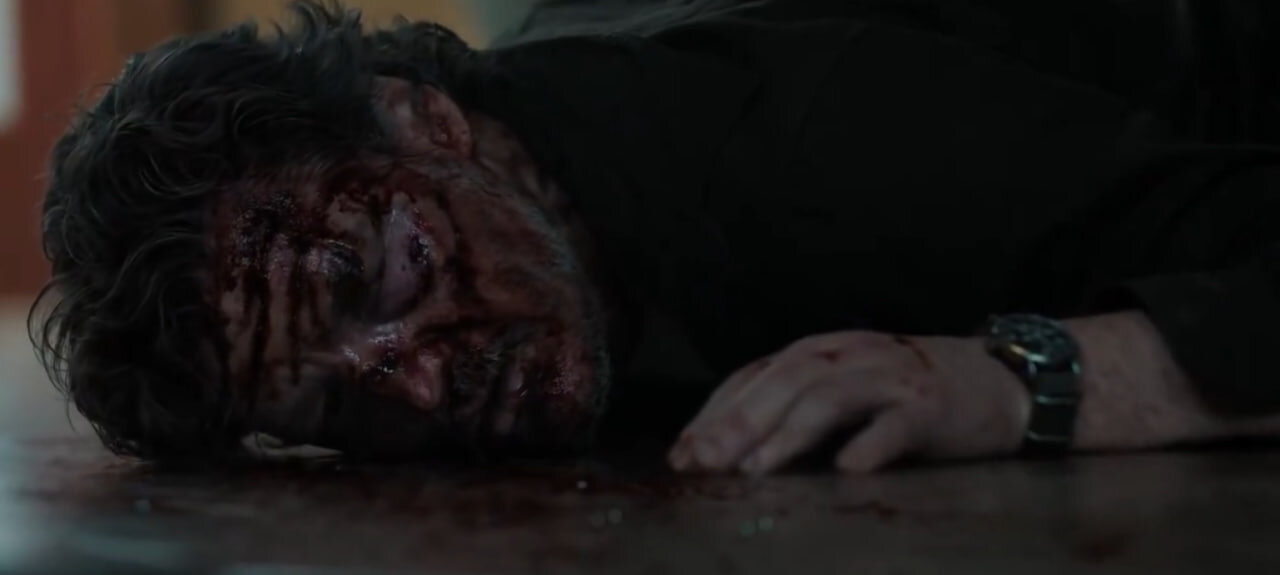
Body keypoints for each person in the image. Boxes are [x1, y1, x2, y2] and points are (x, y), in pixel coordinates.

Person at [30, 0, 1280, 474]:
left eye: (378, 277)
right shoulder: (511, 188)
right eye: (338, 403)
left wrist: (1020, 379)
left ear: (427, 122)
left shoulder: (811, 139)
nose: (416, 383)